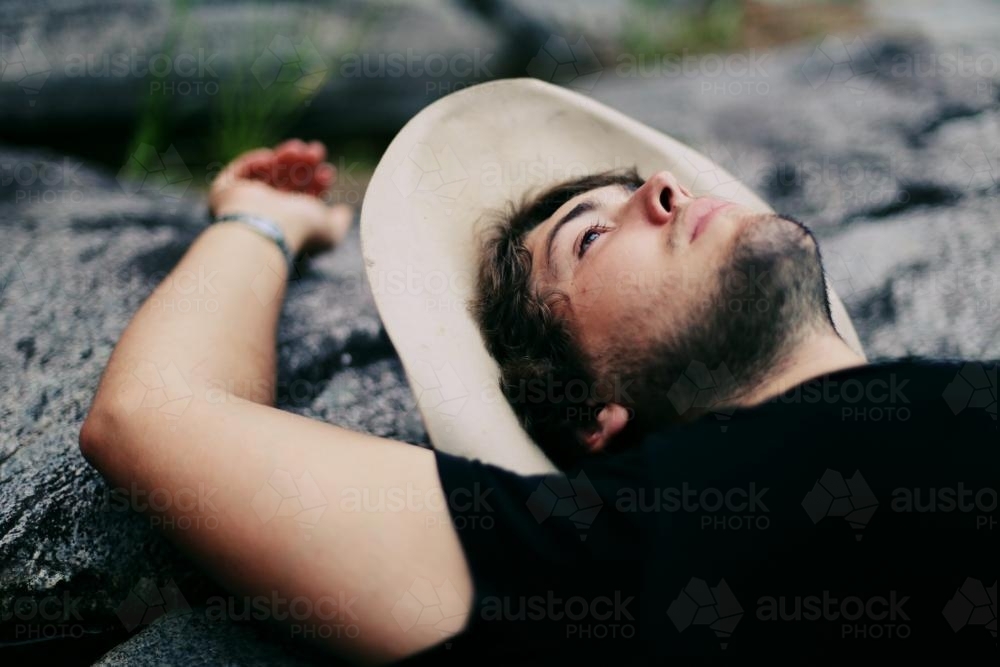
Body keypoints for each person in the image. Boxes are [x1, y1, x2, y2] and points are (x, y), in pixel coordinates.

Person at [80, 139, 997, 664]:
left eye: (640, 188)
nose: (666, 188)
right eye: (591, 236)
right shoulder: (622, 546)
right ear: (595, 409)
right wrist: (263, 221)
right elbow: (154, 415)